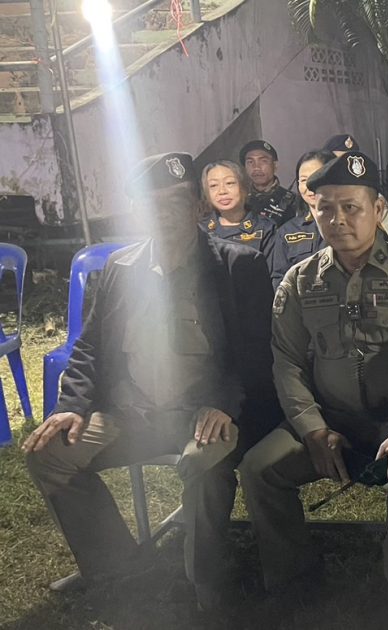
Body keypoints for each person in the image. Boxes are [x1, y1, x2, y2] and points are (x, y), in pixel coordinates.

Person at [23, 152, 280, 612]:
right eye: (150, 204)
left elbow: (256, 354)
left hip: (202, 413)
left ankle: (205, 579)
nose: (163, 213)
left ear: (197, 206)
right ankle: (117, 565)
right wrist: (72, 406)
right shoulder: (120, 269)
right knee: (49, 454)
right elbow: (89, 347)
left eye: (175, 201)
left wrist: (224, 403)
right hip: (131, 412)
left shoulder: (237, 265)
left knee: (205, 463)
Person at [237, 151, 388, 600]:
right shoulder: (299, 281)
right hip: (328, 418)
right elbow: (287, 361)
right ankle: (294, 583)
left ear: (378, 209)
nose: (337, 219)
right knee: (259, 469)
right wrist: (313, 429)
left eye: (351, 207)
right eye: (325, 208)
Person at [199, 159, 288, 287]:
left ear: (244, 187)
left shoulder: (265, 228)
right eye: (213, 186)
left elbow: (274, 278)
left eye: (229, 183)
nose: (222, 191)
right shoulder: (201, 230)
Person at [277, 150, 335, 270]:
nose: (309, 186)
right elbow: (278, 276)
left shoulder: (350, 223)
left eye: (316, 177)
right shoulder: (288, 231)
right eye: (303, 180)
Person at [241, 140, 297, 226]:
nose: (256, 167)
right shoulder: (240, 199)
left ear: (275, 165)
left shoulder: (293, 202)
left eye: (263, 161)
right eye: (250, 162)